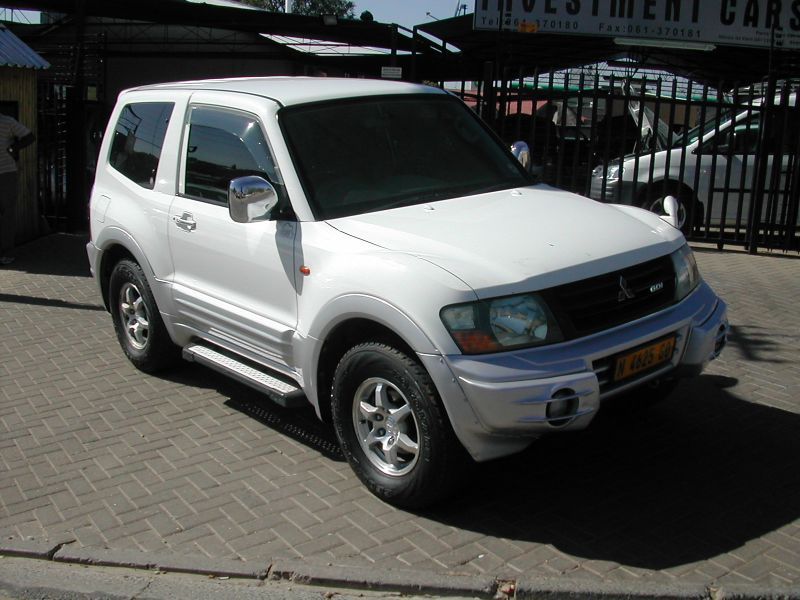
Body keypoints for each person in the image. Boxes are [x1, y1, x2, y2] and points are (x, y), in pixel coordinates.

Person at [0, 111, 35, 265]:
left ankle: (5, 252)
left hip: (6, 172)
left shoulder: (7, 121)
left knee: (6, 213)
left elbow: (29, 136)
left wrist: (13, 149)